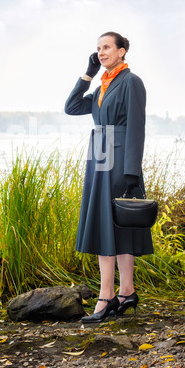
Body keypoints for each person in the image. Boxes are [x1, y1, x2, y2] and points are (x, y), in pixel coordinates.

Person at [64, 31, 153, 323]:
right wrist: (88, 74)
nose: (101, 52)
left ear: (122, 51)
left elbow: (137, 128)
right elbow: (72, 107)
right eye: (98, 49)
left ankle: (107, 296)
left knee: (116, 225)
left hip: (119, 160)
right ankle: (126, 292)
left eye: (106, 47)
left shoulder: (131, 82)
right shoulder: (102, 84)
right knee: (112, 225)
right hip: (100, 154)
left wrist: (131, 172)